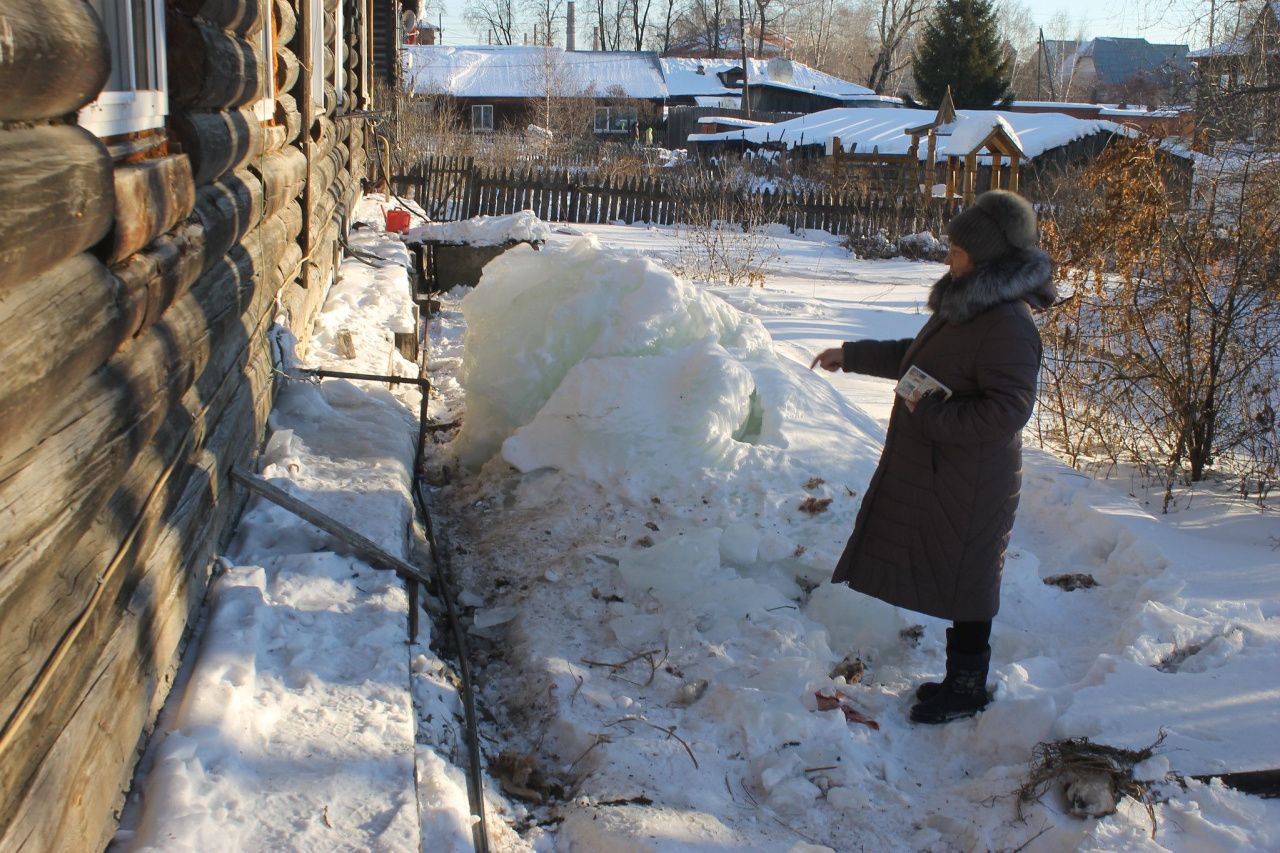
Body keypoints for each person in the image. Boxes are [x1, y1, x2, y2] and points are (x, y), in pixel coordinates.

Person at [811, 190, 1057, 724]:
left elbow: (1007, 411)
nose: (948, 256)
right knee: (957, 573)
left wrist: (933, 416)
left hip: (973, 478)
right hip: (946, 469)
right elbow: (916, 359)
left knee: (969, 581)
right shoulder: (966, 304)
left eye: (958, 249)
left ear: (987, 258)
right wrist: (851, 356)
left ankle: (967, 689)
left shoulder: (1008, 324)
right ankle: (958, 682)